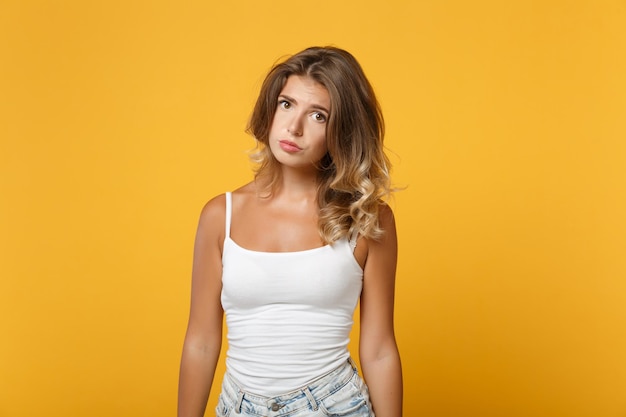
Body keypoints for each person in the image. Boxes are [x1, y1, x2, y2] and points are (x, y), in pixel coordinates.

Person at [178, 46, 402, 417]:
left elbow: (378, 348)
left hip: (335, 406)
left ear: (341, 132)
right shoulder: (221, 215)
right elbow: (201, 341)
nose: (294, 127)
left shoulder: (367, 219)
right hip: (239, 407)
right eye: (286, 104)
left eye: (317, 115)